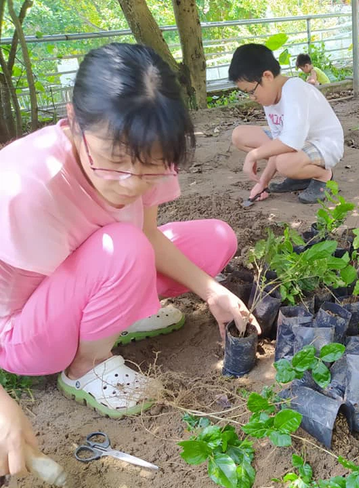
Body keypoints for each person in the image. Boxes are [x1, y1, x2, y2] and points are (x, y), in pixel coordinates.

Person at [0, 42, 260, 479]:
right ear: (74, 120)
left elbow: (147, 233)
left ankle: (108, 317)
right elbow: (129, 241)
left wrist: (212, 290)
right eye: (114, 159)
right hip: (22, 330)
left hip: (95, 270)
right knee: (121, 246)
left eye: (153, 165)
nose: (131, 182)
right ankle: (86, 367)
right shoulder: (25, 185)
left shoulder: (148, 147)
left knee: (216, 238)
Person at [228, 44, 344, 204]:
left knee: (284, 162)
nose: (251, 98)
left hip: (325, 144)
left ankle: (324, 176)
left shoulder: (294, 89)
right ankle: (301, 176)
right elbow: (279, 144)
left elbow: (291, 142)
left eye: (251, 91)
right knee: (239, 135)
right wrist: (263, 183)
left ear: (267, 76)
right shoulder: (269, 99)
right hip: (299, 145)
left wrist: (253, 155)